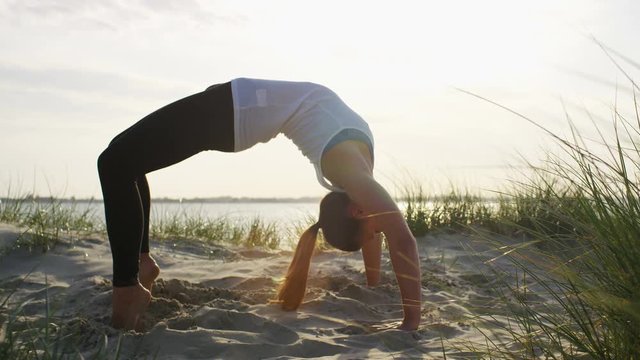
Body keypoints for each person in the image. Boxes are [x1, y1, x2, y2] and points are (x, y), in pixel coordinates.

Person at [97, 78, 422, 331]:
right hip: (237, 106)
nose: (379, 230)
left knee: (114, 163)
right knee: (122, 157)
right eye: (374, 231)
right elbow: (384, 234)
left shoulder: (350, 172)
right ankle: (140, 264)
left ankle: (127, 288)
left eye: (373, 229)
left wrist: (410, 322)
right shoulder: (358, 175)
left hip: (234, 111)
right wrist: (374, 285)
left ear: (358, 210)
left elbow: (399, 238)